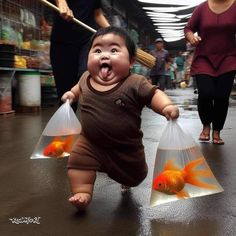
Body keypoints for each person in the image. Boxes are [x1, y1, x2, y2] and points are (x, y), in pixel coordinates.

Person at [61, 26, 179, 210]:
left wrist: (166, 106)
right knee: (77, 163)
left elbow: (153, 95)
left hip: (126, 146)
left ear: (131, 61)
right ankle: (82, 192)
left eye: (114, 50)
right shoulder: (85, 78)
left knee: (134, 175)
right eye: (97, 50)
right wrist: (71, 94)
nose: (104, 55)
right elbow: (77, 89)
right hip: (90, 142)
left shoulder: (135, 82)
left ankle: (126, 180)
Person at [184, 0, 236, 145]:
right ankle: (206, 125)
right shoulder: (202, 8)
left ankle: (217, 130)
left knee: (221, 96)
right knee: (206, 93)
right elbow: (188, 28)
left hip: (228, 58)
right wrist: (191, 37)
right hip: (204, 58)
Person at [50, 0, 110, 112]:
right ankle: (66, 123)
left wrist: (114, 32)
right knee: (66, 93)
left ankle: (95, 121)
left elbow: (97, 14)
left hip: (87, 41)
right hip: (62, 41)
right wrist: (61, 3)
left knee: (87, 75)